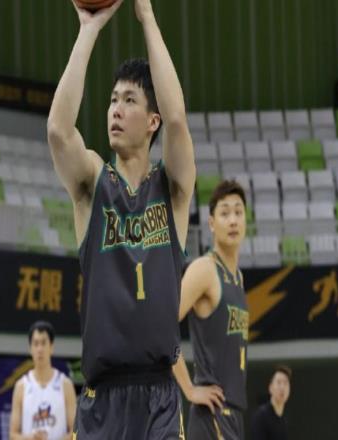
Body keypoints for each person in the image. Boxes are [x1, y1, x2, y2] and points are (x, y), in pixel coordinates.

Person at [46, 0, 195, 437]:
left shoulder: (171, 189)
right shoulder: (93, 182)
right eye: (113, 100)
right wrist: (88, 29)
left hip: (159, 397)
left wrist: (146, 16)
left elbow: (178, 121)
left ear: (151, 121)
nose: (115, 108)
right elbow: (58, 131)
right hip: (102, 399)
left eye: (129, 100)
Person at [173, 180, 249, 440]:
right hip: (212, 415)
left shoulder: (238, 277)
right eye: (225, 213)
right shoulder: (204, 269)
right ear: (212, 223)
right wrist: (189, 389)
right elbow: (161, 326)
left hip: (233, 414)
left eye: (238, 212)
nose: (233, 220)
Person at [9, 321, 77, 440]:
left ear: (51, 347)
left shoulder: (65, 385)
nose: (39, 349)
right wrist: (31, 438)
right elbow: (12, 435)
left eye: (43, 343)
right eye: (36, 344)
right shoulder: (21, 386)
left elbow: (76, 432)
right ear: (30, 349)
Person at [250, 365, 291, 440]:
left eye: (285, 383)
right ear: (270, 387)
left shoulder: (284, 420)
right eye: (279, 382)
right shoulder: (261, 416)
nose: (282, 387)